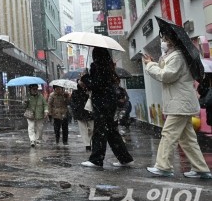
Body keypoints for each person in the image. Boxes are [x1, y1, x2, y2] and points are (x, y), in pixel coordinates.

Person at [143, 33, 212, 178]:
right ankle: (201, 169)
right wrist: (154, 62)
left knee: (168, 134)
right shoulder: (174, 55)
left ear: (172, 42)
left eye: (165, 40)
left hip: (180, 103)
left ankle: (163, 166)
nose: (163, 42)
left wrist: (150, 65)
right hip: (180, 102)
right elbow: (166, 71)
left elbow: (166, 75)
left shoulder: (178, 56)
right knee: (187, 139)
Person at [79, 47, 134, 168]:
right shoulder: (108, 66)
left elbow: (96, 84)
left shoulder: (98, 67)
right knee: (111, 132)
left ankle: (96, 160)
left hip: (102, 104)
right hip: (109, 103)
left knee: (100, 131)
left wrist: (84, 77)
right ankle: (125, 158)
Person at [70, 83, 94, 151]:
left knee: (91, 129)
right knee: (83, 129)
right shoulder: (75, 92)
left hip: (90, 112)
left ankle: (89, 141)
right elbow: (72, 102)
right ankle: (87, 145)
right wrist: (76, 109)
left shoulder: (90, 91)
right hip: (80, 113)